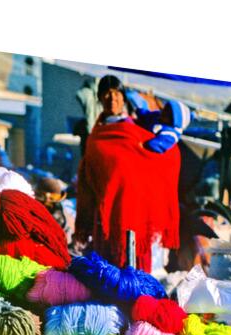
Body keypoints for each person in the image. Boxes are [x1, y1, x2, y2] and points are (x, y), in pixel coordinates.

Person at [75, 76, 181, 270]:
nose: (112, 98)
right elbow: (89, 174)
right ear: (99, 98)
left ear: (124, 98)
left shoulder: (137, 130)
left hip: (135, 214)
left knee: (135, 275)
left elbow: (167, 152)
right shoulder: (95, 136)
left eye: (117, 93)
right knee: (107, 276)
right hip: (105, 219)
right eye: (106, 93)